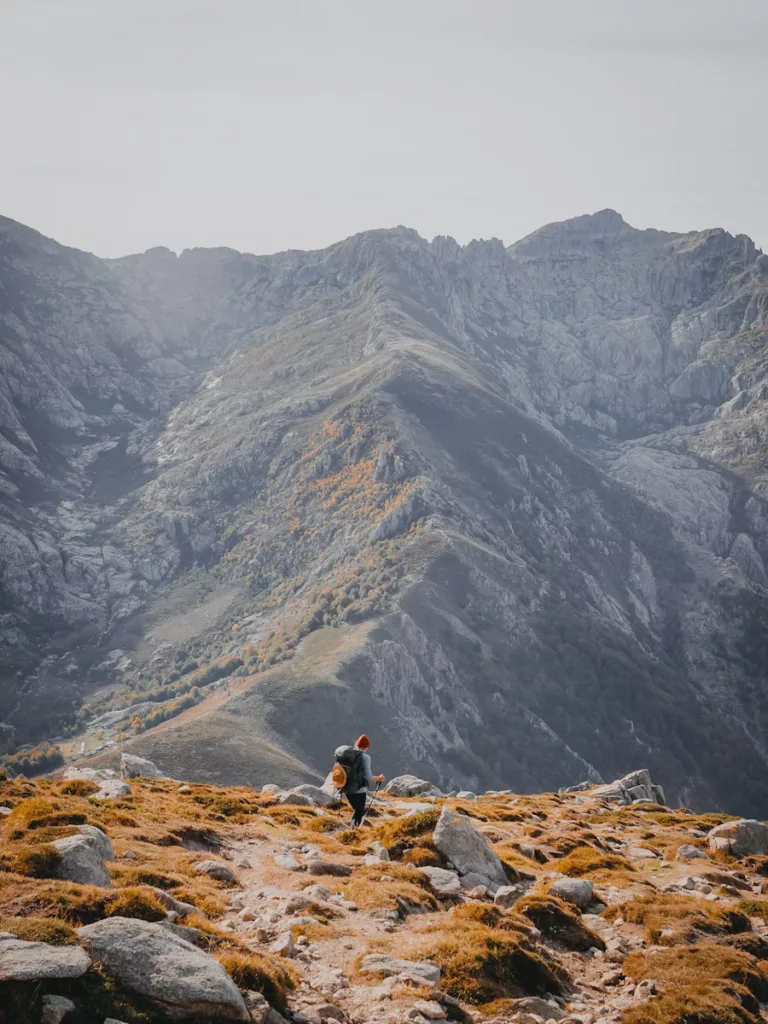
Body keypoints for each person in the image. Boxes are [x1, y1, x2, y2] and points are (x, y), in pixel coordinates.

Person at [335, 733, 385, 827]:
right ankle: (353, 832)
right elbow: (369, 777)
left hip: (346, 787)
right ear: (367, 747)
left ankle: (352, 830)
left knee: (356, 810)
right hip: (359, 789)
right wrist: (379, 778)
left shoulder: (347, 756)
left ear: (356, 745)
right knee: (359, 812)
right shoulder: (365, 757)